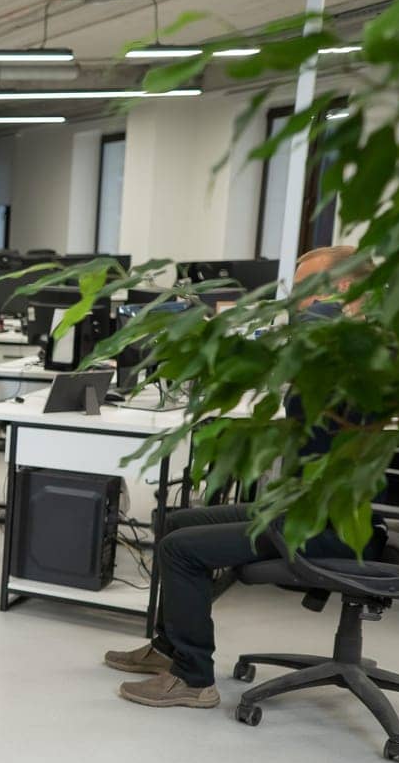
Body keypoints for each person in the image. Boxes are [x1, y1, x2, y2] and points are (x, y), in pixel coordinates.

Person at [106, 245, 377, 708]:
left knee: (180, 551)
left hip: (328, 527)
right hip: (303, 507)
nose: (297, 303)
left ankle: (194, 681)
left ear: (345, 288)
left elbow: (315, 328)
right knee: (177, 523)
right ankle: (168, 650)